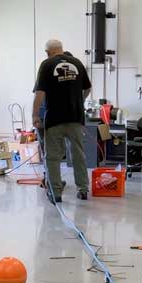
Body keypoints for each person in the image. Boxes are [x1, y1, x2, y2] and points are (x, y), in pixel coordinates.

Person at [33, 39, 92, 202]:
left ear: (48, 52)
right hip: (75, 118)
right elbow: (88, 87)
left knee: (53, 157)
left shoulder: (46, 64)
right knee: (78, 154)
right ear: (61, 48)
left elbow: (39, 93)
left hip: (55, 119)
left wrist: (35, 115)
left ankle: (56, 192)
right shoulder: (78, 63)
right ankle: (83, 189)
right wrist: (79, 100)